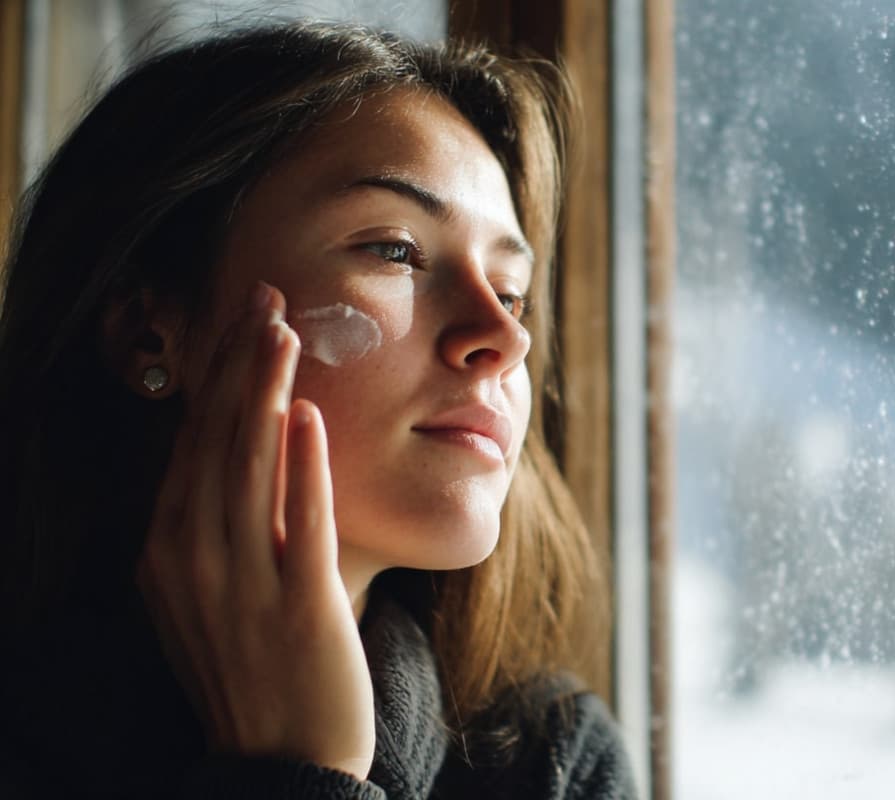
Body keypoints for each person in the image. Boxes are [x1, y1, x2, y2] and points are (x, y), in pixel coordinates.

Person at [0, 19, 636, 799]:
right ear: (148, 333)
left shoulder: (553, 764)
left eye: (512, 293)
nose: (504, 337)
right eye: (395, 249)